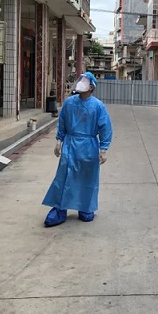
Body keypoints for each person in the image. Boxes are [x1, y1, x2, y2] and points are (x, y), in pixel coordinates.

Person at [42, 72, 113, 227]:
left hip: (89, 146)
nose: (80, 83)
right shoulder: (69, 103)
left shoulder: (98, 106)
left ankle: (85, 208)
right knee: (64, 177)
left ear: (91, 86)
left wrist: (104, 148)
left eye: (85, 81)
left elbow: (105, 127)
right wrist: (59, 140)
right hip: (70, 144)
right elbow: (62, 121)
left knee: (87, 179)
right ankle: (60, 209)